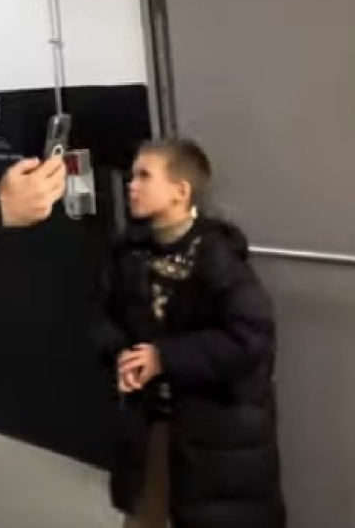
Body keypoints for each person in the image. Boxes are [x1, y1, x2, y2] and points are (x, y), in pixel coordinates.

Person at [92, 139, 285, 528]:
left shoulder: (218, 257)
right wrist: (121, 355)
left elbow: (250, 339)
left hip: (215, 430)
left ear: (180, 191)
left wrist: (164, 357)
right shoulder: (129, 251)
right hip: (149, 422)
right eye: (132, 176)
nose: (131, 185)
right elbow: (101, 315)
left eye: (144, 176)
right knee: (143, 514)